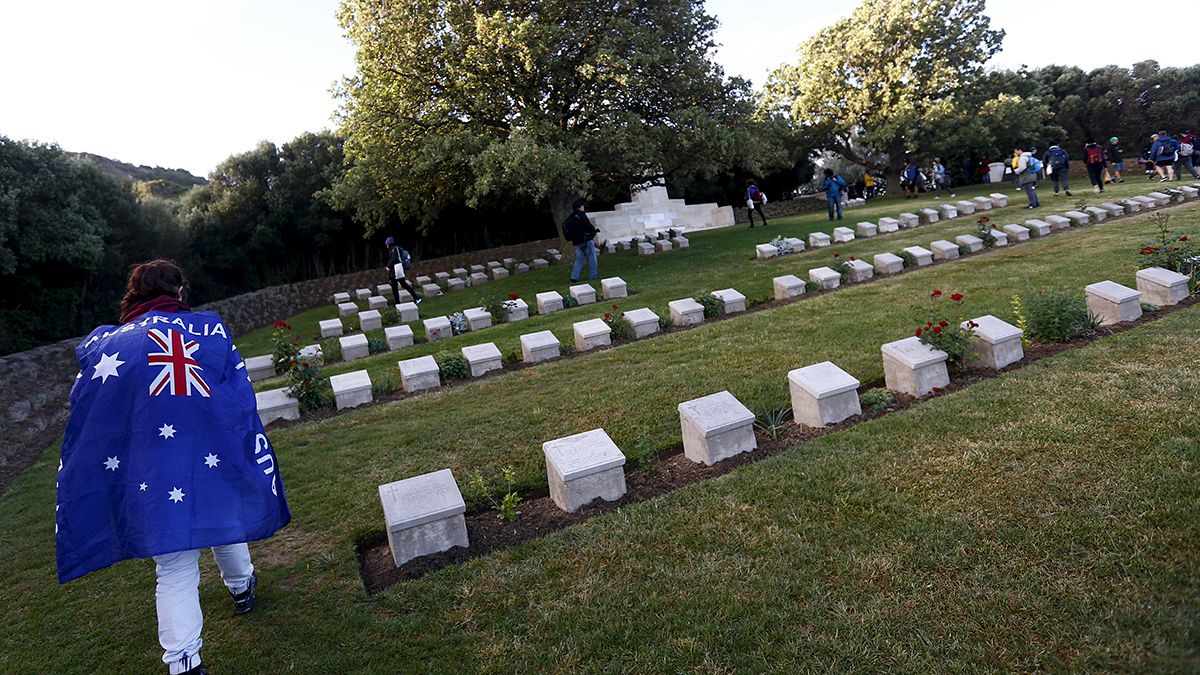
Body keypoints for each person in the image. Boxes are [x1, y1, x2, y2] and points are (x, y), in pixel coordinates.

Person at [56, 260, 291, 675]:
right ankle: (241, 588)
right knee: (224, 517)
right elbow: (236, 390)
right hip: (208, 448)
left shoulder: (108, 345)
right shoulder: (206, 331)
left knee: (175, 564)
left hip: (149, 464)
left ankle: (184, 662)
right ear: (179, 291)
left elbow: (87, 408)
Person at [563, 198, 599, 282]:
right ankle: (593, 275)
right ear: (579, 207)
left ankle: (574, 276)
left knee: (579, 259)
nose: (583, 207)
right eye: (582, 206)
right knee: (592, 257)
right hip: (585, 239)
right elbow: (587, 225)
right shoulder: (581, 214)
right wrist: (593, 231)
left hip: (576, 241)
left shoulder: (570, 217)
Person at [385, 236, 420, 303]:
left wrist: (388, 266)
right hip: (396, 271)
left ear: (389, 244)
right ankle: (416, 298)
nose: (386, 246)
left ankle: (398, 302)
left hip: (396, 271)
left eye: (387, 244)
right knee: (402, 285)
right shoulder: (392, 250)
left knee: (396, 287)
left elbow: (394, 259)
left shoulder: (396, 249)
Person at [1013, 145, 1041, 209]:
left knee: (1029, 190)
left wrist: (1016, 171)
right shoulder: (1028, 156)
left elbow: (1023, 167)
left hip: (1026, 176)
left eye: (1016, 151)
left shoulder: (1023, 157)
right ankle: (1036, 202)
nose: (1016, 153)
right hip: (1031, 174)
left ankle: (1033, 204)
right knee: (1032, 190)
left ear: (1020, 150)